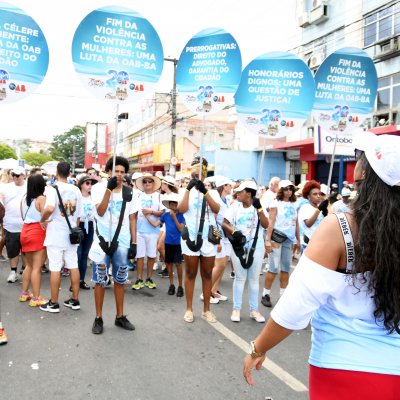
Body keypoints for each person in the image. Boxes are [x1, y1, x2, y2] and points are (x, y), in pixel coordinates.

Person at [243, 131, 400, 399]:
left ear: (363, 175)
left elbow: (297, 304)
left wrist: (258, 348)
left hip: (342, 369)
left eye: (359, 157)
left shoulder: (340, 228)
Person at [89, 156, 137, 334]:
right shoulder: (97, 188)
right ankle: (98, 318)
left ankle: (120, 316)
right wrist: (108, 190)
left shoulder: (130, 192)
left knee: (120, 280)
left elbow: (133, 218)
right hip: (102, 242)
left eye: (122, 172)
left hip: (122, 242)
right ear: (108, 171)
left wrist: (134, 242)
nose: (119, 175)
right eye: (116, 171)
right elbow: (100, 212)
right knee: (100, 281)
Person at [178, 156, 220, 323]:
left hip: (208, 238)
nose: (198, 171)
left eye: (201, 167)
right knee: (190, 272)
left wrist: (205, 191)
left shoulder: (212, 191)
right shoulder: (184, 190)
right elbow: (181, 209)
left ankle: (206, 310)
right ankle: (189, 308)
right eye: (195, 167)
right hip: (191, 238)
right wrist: (188, 189)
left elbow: (216, 209)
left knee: (208, 273)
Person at [39, 162, 83, 313]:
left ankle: (53, 302)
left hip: (56, 234)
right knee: (73, 266)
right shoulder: (76, 189)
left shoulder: (52, 189)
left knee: (55, 268)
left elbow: (50, 208)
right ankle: (75, 300)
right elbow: (79, 216)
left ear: (57, 173)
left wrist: (42, 219)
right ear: (70, 173)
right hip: (72, 235)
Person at [222, 180, 269, 323]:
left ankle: (254, 310)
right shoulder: (235, 207)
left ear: (249, 193)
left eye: (241, 191)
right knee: (240, 278)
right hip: (239, 246)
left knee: (254, 279)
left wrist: (260, 209)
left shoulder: (258, 207)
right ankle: (236, 309)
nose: (237, 194)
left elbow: (266, 225)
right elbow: (224, 223)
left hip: (257, 245)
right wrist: (234, 232)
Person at [262, 180, 300, 308]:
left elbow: (296, 223)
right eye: (286, 189)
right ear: (281, 190)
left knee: (285, 268)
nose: (288, 191)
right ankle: (265, 294)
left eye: (290, 189)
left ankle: (283, 296)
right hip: (276, 238)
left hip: (288, 239)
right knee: (273, 267)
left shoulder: (295, 203)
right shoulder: (275, 203)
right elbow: (271, 221)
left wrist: (298, 240)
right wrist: (267, 240)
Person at [145, 192, 185, 296]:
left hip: (177, 243)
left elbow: (180, 229)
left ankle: (180, 286)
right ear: (169, 205)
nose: (173, 207)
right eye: (172, 204)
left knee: (179, 264)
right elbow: (155, 224)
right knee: (169, 264)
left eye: (175, 205)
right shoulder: (166, 215)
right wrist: (147, 217)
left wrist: (175, 217)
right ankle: (171, 285)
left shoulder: (181, 215)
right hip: (168, 243)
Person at [19, 174, 47, 307]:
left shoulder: (24, 199)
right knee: (37, 267)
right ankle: (36, 298)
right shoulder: (41, 199)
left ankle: (25, 293)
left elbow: (22, 216)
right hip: (37, 232)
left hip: (25, 231)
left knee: (29, 266)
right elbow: (45, 216)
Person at [131, 173, 164, 290]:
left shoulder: (159, 196)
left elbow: (163, 213)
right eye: (145, 181)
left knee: (151, 256)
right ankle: (139, 279)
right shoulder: (138, 196)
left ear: (154, 183)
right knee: (139, 256)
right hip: (139, 231)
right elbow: (133, 215)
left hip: (153, 231)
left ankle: (149, 278)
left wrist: (151, 212)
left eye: (150, 181)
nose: (147, 183)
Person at [207, 176, 233, 303]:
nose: (231, 187)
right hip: (219, 236)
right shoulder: (217, 199)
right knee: (220, 264)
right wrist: (217, 240)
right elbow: (213, 220)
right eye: (230, 185)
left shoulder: (226, 199)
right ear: (224, 186)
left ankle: (214, 291)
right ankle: (206, 292)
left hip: (226, 236)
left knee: (223, 265)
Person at [0, 166, 27, 283]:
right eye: (14, 175)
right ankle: (13, 271)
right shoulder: (6, 187)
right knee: (12, 250)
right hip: (10, 224)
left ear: (24, 175)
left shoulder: (29, 186)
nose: (16, 177)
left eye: (18, 175)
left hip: (26, 225)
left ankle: (26, 271)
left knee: (26, 250)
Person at [76, 175, 97, 290]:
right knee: (78, 254)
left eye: (91, 184)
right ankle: (74, 281)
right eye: (87, 183)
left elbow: (96, 215)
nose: (90, 186)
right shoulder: (77, 197)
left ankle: (81, 280)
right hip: (79, 225)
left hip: (89, 225)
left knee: (85, 254)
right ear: (81, 185)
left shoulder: (93, 198)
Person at [297, 180, 328, 252]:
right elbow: (308, 224)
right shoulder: (305, 207)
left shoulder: (319, 209)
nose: (318, 196)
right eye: (315, 194)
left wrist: (325, 214)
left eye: (319, 194)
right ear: (308, 197)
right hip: (308, 245)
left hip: (320, 243)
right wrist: (319, 209)